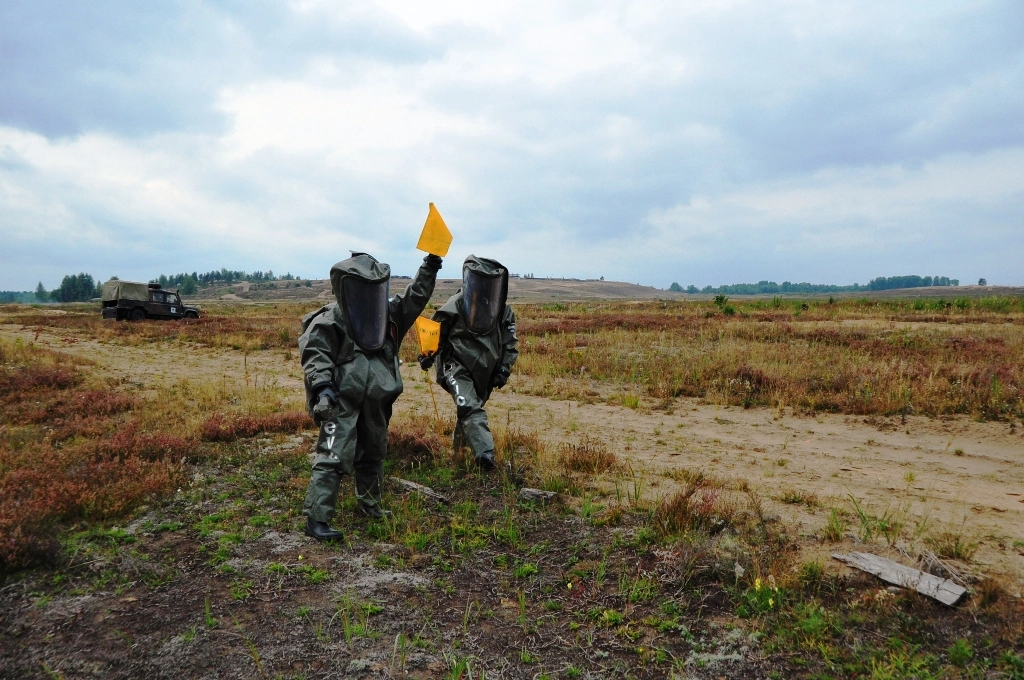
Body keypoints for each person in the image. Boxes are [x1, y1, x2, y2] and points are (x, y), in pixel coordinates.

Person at [299, 251, 442, 541]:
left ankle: (370, 504)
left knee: (374, 450)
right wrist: (322, 387)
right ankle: (317, 518)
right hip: (340, 399)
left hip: (377, 397)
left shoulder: (388, 314)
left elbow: (416, 296)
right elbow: (316, 355)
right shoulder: (329, 319)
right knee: (332, 452)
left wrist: (430, 265)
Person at [419, 255, 518, 470]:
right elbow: (435, 333)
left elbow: (510, 343)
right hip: (456, 366)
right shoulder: (454, 305)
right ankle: (485, 454)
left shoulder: (503, 311)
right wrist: (427, 354)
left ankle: (460, 458)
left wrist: (503, 369)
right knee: (469, 406)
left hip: (486, 371)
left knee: (469, 410)